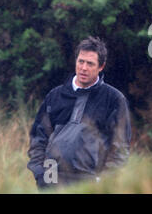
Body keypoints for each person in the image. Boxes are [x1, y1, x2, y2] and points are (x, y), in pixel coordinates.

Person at [27, 36, 132, 189]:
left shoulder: (114, 99)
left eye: (90, 64)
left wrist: (104, 181)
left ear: (101, 66)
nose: (83, 68)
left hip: (89, 183)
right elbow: (38, 138)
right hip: (52, 180)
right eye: (80, 61)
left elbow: (120, 147)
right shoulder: (55, 96)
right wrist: (40, 174)